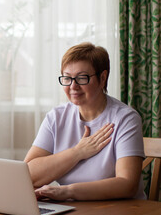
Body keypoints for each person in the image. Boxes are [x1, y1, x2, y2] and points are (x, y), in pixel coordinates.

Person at [24, 42, 146, 201]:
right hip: (74, 212)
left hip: (120, 213)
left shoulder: (125, 119)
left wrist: (68, 192)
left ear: (102, 78)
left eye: (82, 78)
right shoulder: (56, 117)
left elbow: (127, 184)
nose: (73, 86)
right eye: (67, 78)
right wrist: (78, 152)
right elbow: (27, 174)